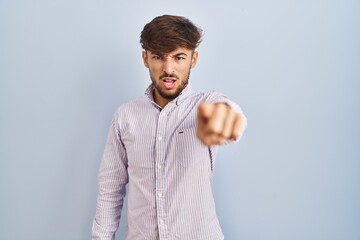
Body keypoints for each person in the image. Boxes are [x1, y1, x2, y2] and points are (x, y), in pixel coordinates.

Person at [92, 15, 247, 240]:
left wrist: (225, 118)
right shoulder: (125, 117)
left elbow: (228, 113)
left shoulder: (206, 105)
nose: (168, 68)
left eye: (178, 57)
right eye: (158, 57)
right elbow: (110, 190)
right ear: (145, 59)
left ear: (193, 60)